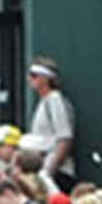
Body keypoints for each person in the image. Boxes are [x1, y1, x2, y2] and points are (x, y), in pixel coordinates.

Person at [26, 56, 75, 193]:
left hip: (57, 173)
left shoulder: (54, 100)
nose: (29, 79)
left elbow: (65, 138)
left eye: (34, 75)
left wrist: (47, 172)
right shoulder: (44, 102)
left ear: (46, 78)